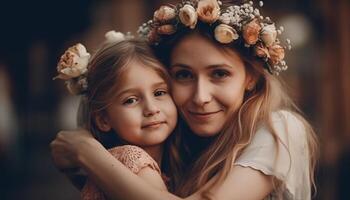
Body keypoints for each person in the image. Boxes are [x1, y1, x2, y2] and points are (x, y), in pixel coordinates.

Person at [51, 1, 319, 199]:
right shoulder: (181, 141)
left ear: (250, 77)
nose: (200, 97)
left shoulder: (278, 129)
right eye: (183, 75)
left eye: (219, 73)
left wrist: (87, 153)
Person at [52, 31, 178, 199]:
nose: (151, 108)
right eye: (131, 100)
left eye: (159, 92)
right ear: (104, 119)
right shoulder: (133, 160)